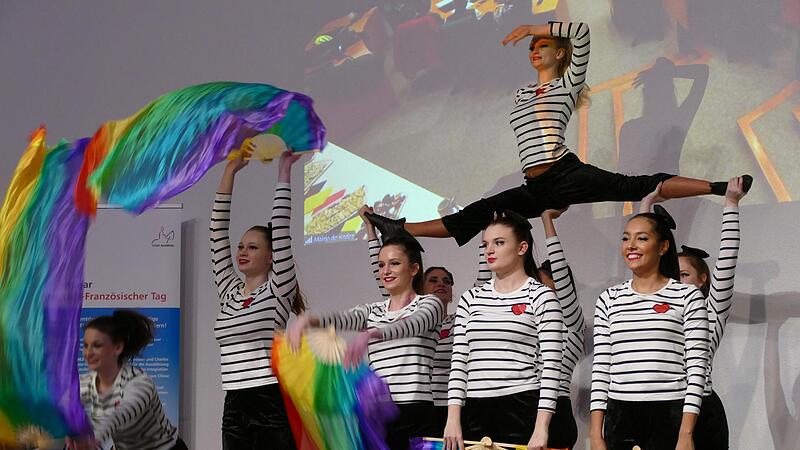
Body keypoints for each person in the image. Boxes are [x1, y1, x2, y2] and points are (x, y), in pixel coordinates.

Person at [365, 21, 751, 246]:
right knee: (479, 212)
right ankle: (400, 231)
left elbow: (581, 32)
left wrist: (534, 25)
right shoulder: (520, 93)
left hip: (566, 172)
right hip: (536, 187)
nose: (534, 49)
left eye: (543, 45)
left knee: (639, 185)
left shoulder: (566, 86)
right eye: (532, 47)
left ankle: (718, 187)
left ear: (560, 54)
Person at [288, 234, 444, 450]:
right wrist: (307, 320)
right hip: (377, 413)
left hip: (416, 410)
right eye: (381, 265)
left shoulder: (430, 304)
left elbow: (413, 325)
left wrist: (371, 334)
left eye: (394, 263)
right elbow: (340, 318)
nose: (386, 271)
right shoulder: (373, 310)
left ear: (414, 269)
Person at [359, 205, 492, 431]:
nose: (441, 284)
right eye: (433, 280)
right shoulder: (409, 311)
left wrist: (486, 233)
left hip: (454, 411)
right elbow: (380, 270)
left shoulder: (460, 320)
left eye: (446, 281)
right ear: (420, 283)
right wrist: (370, 230)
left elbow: (483, 281)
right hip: (419, 410)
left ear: (452, 291)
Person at [640, 177, 747, 449]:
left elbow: (727, 259)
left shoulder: (710, 310)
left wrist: (731, 203)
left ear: (702, 280)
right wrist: (647, 204)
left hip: (701, 413)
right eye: (674, 274)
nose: (677, 279)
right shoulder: (658, 306)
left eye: (684, 274)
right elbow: (642, 265)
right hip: (659, 410)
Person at [590, 206, 709, 450]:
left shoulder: (687, 295)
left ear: (663, 247)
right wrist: (595, 434)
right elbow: (601, 368)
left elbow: (697, 367)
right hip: (620, 415)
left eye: (642, 238)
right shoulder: (609, 298)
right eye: (626, 238)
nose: (631, 245)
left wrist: (686, 433)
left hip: (669, 412)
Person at [443, 211, 564, 450]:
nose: (490, 250)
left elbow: (552, 367)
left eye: (499, 243)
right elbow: (459, 362)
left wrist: (542, 427)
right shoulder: (471, 298)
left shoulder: (541, 296)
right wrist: (453, 418)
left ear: (522, 248)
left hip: (521, 406)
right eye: (486, 244)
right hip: (473, 409)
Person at [211, 150, 303, 449]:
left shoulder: (278, 289)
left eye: (252, 247)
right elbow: (216, 232)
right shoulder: (229, 291)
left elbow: (281, 227)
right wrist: (230, 172)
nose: (243, 251)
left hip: (269, 399)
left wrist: (284, 172)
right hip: (234, 402)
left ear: (271, 256)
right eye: (241, 246)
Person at [70, 310, 186, 450]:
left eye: (97, 345)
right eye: (86, 345)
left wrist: (94, 438)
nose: (88, 353)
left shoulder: (139, 382)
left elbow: (121, 414)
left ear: (118, 347)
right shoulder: (87, 384)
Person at [540, 207, 587, 449]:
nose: (533, 289)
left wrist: (547, 221)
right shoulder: (531, 321)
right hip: (522, 410)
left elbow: (559, 270)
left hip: (555, 413)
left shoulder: (571, 322)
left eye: (541, 283)